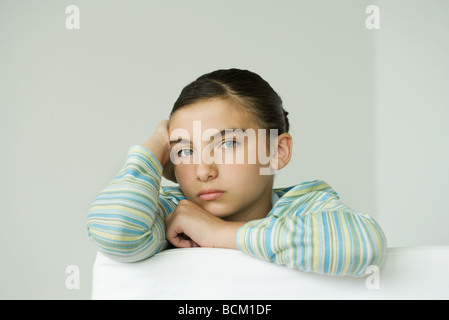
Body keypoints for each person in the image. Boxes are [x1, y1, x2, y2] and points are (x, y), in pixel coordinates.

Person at [87, 68, 386, 277]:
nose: (203, 170)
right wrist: (155, 145)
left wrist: (218, 233)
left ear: (276, 152)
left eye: (228, 143)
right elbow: (116, 231)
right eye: (185, 151)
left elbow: (363, 245)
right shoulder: (169, 212)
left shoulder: (305, 206)